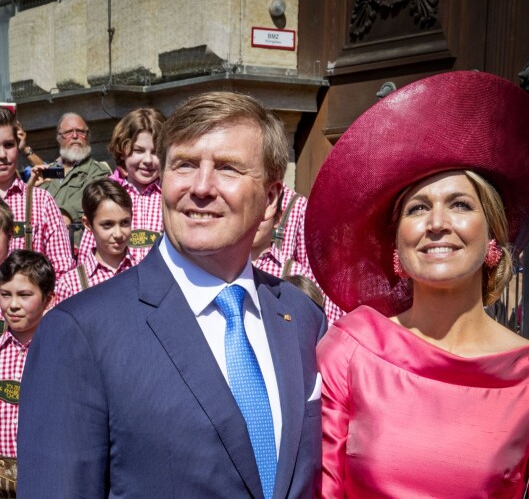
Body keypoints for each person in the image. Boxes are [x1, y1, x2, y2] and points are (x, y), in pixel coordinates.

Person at [17, 91, 326, 498]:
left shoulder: (301, 317)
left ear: (270, 199)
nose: (200, 187)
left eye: (228, 169)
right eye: (184, 165)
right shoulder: (79, 332)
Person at [305, 71, 529, 498]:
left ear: (493, 234)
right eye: (417, 208)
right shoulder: (352, 349)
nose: (437, 224)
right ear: (396, 241)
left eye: (459, 204)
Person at [77, 107, 165, 265]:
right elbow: (88, 253)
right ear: (122, 151)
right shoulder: (106, 195)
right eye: (138, 150)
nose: (148, 160)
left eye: (155, 152)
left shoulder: (170, 196)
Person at [0, 250, 55, 494]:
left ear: (48, 299)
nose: (13, 305)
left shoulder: (59, 354)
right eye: (4, 295)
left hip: (43, 475)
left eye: (24, 295)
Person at [253, 184, 345, 324]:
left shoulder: (294, 271)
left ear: (278, 218)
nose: (255, 219)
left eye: (263, 212)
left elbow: (323, 314)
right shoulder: (223, 265)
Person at [0, 109, 74, 280]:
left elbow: (62, 269)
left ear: (18, 147)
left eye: (8, 145)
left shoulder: (41, 201)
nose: (2, 155)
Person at [54, 179, 134, 305]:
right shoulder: (71, 284)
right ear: (87, 224)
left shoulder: (143, 270)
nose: (118, 234)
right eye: (107, 225)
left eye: (125, 223)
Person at [37, 112, 111, 247]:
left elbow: (92, 203)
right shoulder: (47, 172)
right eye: (69, 132)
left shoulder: (98, 172)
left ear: (87, 137)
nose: (75, 136)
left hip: (76, 249)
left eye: (81, 132)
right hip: (41, 250)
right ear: (59, 138)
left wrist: (64, 214)